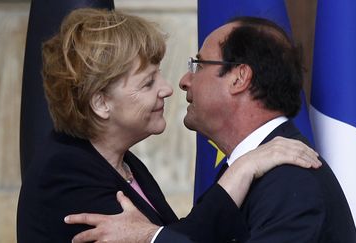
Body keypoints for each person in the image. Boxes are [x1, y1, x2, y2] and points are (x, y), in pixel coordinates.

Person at [16, 9, 322, 243]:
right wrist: (242, 168)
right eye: (148, 82)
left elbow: (177, 236)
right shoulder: (63, 175)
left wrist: (152, 236)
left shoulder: (123, 164)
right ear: (100, 103)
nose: (167, 88)